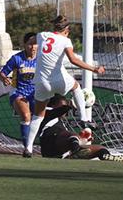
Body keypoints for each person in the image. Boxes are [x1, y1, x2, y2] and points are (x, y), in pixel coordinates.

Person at [24, 15, 105, 157]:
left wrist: (33, 44)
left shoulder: (42, 35)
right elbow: (73, 60)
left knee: (37, 116)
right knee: (76, 87)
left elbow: (31, 40)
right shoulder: (65, 41)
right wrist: (93, 69)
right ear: (66, 30)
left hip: (42, 82)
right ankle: (84, 119)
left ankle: (28, 148)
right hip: (58, 80)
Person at [39, 95, 123, 161]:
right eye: (61, 106)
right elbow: (59, 111)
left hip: (63, 149)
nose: (64, 111)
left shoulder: (61, 122)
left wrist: (82, 140)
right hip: (49, 145)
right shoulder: (45, 114)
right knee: (70, 135)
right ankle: (75, 150)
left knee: (100, 148)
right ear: (52, 106)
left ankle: (105, 156)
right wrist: (74, 103)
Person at [0, 32, 37, 157]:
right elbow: (2, 73)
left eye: (35, 44)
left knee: (40, 121)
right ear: (25, 45)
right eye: (30, 44)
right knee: (26, 116)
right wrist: (4, 79)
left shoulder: (42, 59)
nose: (33, 47)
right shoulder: (17, 58)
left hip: (36, 94)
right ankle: (27, 149)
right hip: (18, 92)